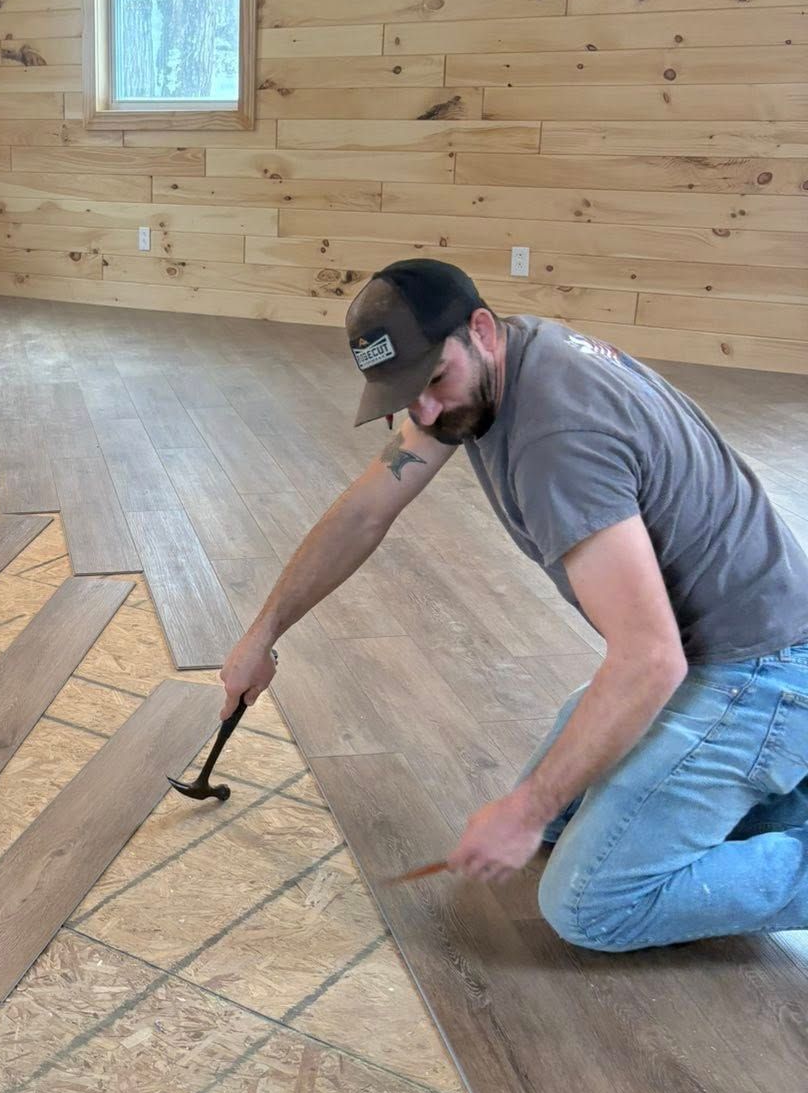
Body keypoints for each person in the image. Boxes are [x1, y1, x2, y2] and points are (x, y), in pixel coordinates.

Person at [218, 259, 808, 949]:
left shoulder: (558, 438)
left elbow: (649, 660)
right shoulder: (504, 359)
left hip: (760, 675)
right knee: (564, 818)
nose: (426, 414)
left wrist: (525, 811)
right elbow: (366, 512)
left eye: (434, 383)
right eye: (406, 396)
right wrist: (263, 633)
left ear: (479, 331)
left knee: (591, 902)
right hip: (722, 651)